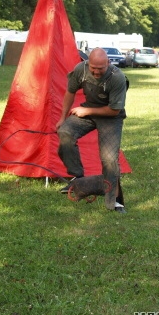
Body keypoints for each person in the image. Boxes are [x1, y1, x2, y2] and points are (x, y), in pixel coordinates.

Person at [56, 47, 129, 213]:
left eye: (100, 68)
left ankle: (115, 202)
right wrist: (62, 118)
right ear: (88, 63)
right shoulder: (80, 69)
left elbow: (114, 110)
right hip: (88, 110)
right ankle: (78, 179)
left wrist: (86, 111)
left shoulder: (117, 78)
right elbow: (70, 92)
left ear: (108, 63)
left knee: (109, 159)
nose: (96, 72)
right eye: (93, 68)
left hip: (110, 117)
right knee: (65, 132)